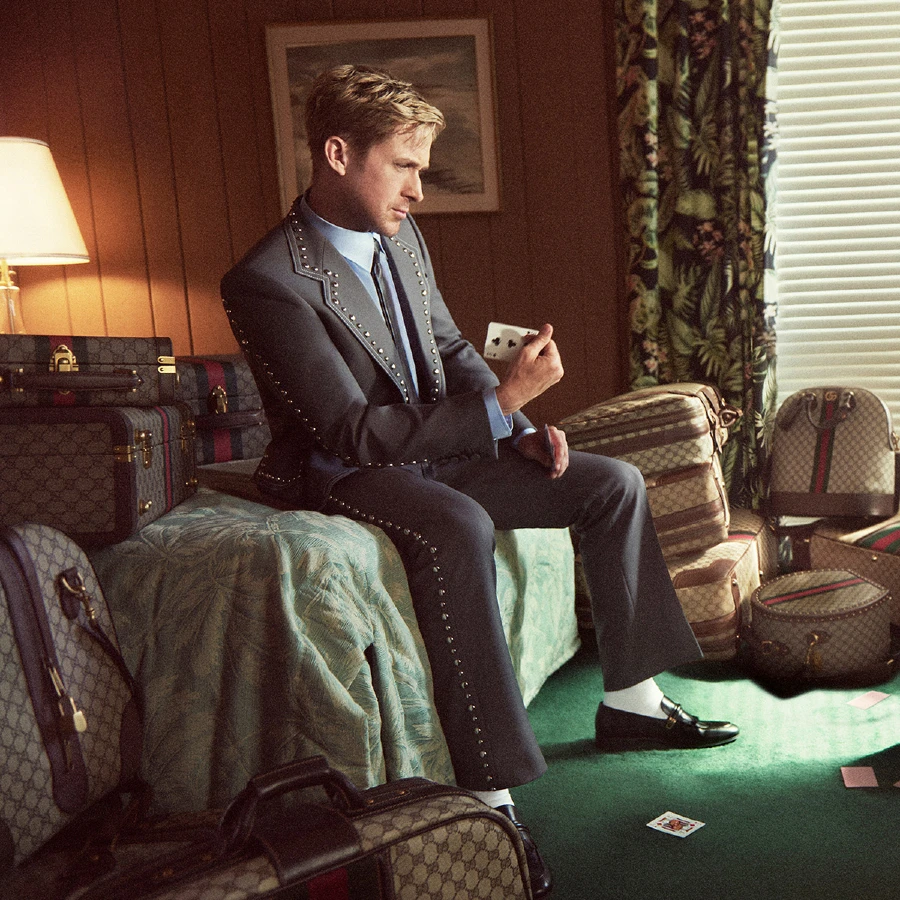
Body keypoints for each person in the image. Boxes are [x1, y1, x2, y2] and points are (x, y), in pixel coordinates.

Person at [221, 64, 738, 898]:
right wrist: (499, 405)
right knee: (456, 524)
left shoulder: (402, 236)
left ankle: (633, 702)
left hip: (442, 443)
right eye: (404, 166)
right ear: (338, 154)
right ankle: (490, 796)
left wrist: (523, 429)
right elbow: (349, 430)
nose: (418, 190)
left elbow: (452, 349)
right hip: (345, 469)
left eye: (423, 168)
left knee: (610, 482)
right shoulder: (267, 279)